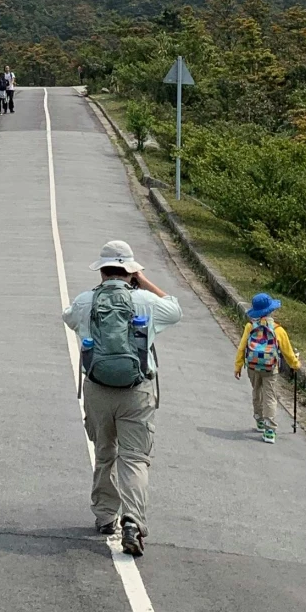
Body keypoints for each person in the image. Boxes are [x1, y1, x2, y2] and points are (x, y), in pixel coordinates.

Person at [62, 238, 182, 559]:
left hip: (98, 388)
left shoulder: (87, 300)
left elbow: (68, 317)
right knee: (135, 457)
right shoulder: (144, 300)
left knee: (105, 452)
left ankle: (104, 516)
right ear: (129, 271)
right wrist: (142, 281)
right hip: (136, 391)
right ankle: (132, 520)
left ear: (102, 271)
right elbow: (176, 309)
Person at [235, 292, 300, 444]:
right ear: (271, 310)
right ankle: (269, 430)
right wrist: (295, 364)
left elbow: (242, 347)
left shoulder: (250, 326)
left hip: (252, 366)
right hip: (271, 368)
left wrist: (238, 365)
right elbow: (288, 353)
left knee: (256, 391)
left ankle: (259, 419)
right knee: (270, 397)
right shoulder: (278, 330)